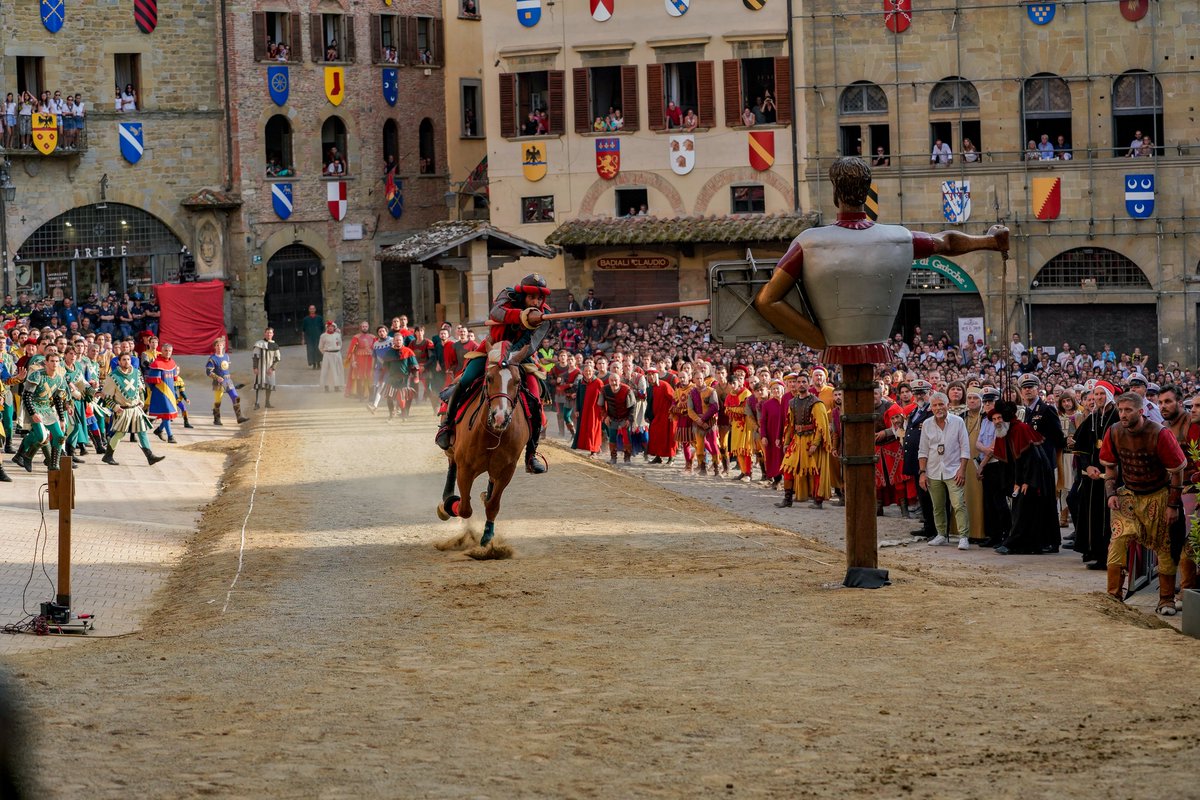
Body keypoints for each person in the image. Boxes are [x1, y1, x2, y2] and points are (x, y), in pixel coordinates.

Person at [435, 274, 552, 474]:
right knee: (467, 379)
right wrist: (523, 316)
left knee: (534, 396)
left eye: (539, 298)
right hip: (490, 349)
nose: (536, 302)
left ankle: (531, 453)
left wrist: (510, 357)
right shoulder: (507, 294)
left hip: (520, 356)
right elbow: (496, 313)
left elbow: (531, 344)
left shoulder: (546, 316)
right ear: (523, 295)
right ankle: (446, 426)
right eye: (532, 297)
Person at [1100, 391, 1186, 615]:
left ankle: (1166, 599)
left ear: (1141, 411)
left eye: (1128, 410)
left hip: (1159, 495)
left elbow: (1177, 473)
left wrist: (1172, 505)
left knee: (1165, 547)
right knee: (1117, 542)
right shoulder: (1114, 431)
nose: (1123, 414)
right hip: (1128, 495)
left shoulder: (1160, 434)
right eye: (1120, 410)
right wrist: (1111, 494)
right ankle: (1113, 597)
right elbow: (1110, 468)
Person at [991, 401, 1056, 555]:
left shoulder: (1020, 429)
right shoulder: (1005, 431)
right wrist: (1015, 482)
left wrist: (1026, 481)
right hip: (1022, 477)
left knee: (1024, 509)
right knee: (1020, 509)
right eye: (994, 420)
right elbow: (1012, 461)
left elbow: (1031, 458)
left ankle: (1013, 543)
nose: (997, 422)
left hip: (1034, 475)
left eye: (999, 418)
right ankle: (1022, 543)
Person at [919, 391, 972, 549]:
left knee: (958, 504)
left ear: (947, 405)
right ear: (931, 408)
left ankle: (963, 537)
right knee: (937, 505)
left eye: (941, 404)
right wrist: (922, 473)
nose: (938, 408)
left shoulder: (957, 422)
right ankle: (941, 534)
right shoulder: (927, 424)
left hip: (954, 470)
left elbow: (965, 448)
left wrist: (962, 470)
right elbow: (923, 451)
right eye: (934, 405)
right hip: (933, 471)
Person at [777, 372, 832, 508]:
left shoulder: (816, 403)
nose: (801, 384)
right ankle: (788, 498)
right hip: (796, 440)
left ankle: (818, 500)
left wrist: (815, 444)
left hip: (810, 440)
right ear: (795, 384)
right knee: (788, 468)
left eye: (804, 382)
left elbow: (821, 427)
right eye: (799, 382)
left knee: (815, 470)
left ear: (809, 384)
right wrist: (786, 442)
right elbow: (790, 425)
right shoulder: (792, 402)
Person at [102, 351, 165, 466]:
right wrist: (115, 407)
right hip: (123, 410)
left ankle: (150, 456)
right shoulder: (113, 376)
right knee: (120, 434)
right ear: (119, 362)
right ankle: (108, 455)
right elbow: (105, 397)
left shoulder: (136, 373)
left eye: (128, 359)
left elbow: (140, 389)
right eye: (124, 360)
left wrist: (141, 400)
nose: (127, 362)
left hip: (135, 409)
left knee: (142, 432)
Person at [11, 351, 68, 473]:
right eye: (52, 361)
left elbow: (58, 400)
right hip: (33, 406)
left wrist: (62, 419)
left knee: (60, 436)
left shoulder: (60, 379)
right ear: (46, 362)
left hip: (47, 408)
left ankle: (53, 464)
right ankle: (25, 455)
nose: (54, 364)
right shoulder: (37, 375)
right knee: (42, 436)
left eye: (57, 361)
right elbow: (26, 396)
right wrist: (33, 413)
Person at [205, 336, 249, 425]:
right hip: (218, 382)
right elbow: (208, 372)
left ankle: (239, 417)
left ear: (223, 346)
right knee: (218, 401)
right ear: (215, 347)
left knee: (235, 397)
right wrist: (217, 377)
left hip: (228, 380)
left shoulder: (226, 356)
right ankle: (216, 418)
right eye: (217, 345)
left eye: (220, 345)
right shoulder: (212, 359)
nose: (219, 347)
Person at [145, 344, 181, 444]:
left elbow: (174, 380)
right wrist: (155, 392)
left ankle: (159, 430)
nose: (168, 352)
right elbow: (151, 382)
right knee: (166, 414)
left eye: (170, 351)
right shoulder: (157, 364)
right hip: (160, 393)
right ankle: (170, 436)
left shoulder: (172, 363)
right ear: (162, 351)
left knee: (168, 414)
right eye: (166, 350)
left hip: (170, 392)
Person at [599, 369, 634, 464]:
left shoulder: (627, 390)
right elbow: (601, 405)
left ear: (620, 380)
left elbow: (632, 407)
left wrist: (629, 419)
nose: (614, 382)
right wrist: (605, 416)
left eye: (616, 380)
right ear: (609, 381)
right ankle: (613, 457)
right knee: (612, 437)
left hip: (624, 417)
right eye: (612, 380)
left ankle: (627, 458)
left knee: (626, 438)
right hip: (612, 417)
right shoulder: (604, 390)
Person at [572, 358, 604, 457]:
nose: (588, 373)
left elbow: (603, 398)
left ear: (593, 371)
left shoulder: (598, 382)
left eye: (590, 371)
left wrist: (603, 411)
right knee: (584, 428)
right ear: (583, 372)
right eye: (586, 371)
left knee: (593, 429)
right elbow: (578, 396)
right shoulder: (581, 382)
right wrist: (577, 409)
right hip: (583, 410)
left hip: (595, 411)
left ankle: (594, 450)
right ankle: (587, 447)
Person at [644, 367, 676, 463]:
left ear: (656, 375)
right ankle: (658, 456)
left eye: (652, 375)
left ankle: (671, 457)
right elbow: (649, 403)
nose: (650, 377)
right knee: (655, 435)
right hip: (656, 416)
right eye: (649, 375)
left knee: (669, 437)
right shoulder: (649, 388)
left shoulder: (664, 385)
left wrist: (673, 413)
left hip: (668, 416)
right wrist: (647, 415)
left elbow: (674, 400)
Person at [251, 327, 281, 410]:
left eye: (270, 333)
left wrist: (272, 368)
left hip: (269, 369)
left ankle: (267, 402)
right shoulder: (258, 344)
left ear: (273, 334)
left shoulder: (275, 345)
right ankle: (257, 403)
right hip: (260, 368)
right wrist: (255, 367)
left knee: (269, 385)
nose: (269, 334)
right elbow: (255, 357)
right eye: (267, 333)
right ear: (264, 333)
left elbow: (277, 358)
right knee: (258, 385)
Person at [344, 322, 376, 399]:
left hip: (370, 359)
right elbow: (352, 350)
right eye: (363, 326)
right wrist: (353, 361)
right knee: (359, 376)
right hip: (359, 359)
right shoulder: (356, 337)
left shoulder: (373, 337)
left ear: (368, 327)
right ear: (360, 327)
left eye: (366, 326)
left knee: (370, 376)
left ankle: (370, 395)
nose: (364, 328)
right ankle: (360, 395)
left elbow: (376, 349)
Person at [318, 320, 344, 392]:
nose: (330, 328)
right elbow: (320, 347)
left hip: (337, 354)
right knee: (327, 371)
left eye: (332, 327)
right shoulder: (323, 336)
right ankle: (326, 386)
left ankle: (337, 386)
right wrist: (326, 353)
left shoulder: (337, 335)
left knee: (337, 370)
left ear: (334, 327)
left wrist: (337, 350)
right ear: (327, 327)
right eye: (329, 327)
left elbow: (340, 344)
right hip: (328, 355)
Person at [300, 305, 324, 370]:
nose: (312, 310)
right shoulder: (306, 319)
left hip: (318, 337)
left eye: (313, 309)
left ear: (315, 309)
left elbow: (323, 328)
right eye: (311, 309)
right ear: (309, 310)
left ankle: (318, 363)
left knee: (318, 350)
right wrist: (303, 339)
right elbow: (303, 330)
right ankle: (314, 364)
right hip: (309, 337)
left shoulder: (319, 318)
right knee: (311, 350)